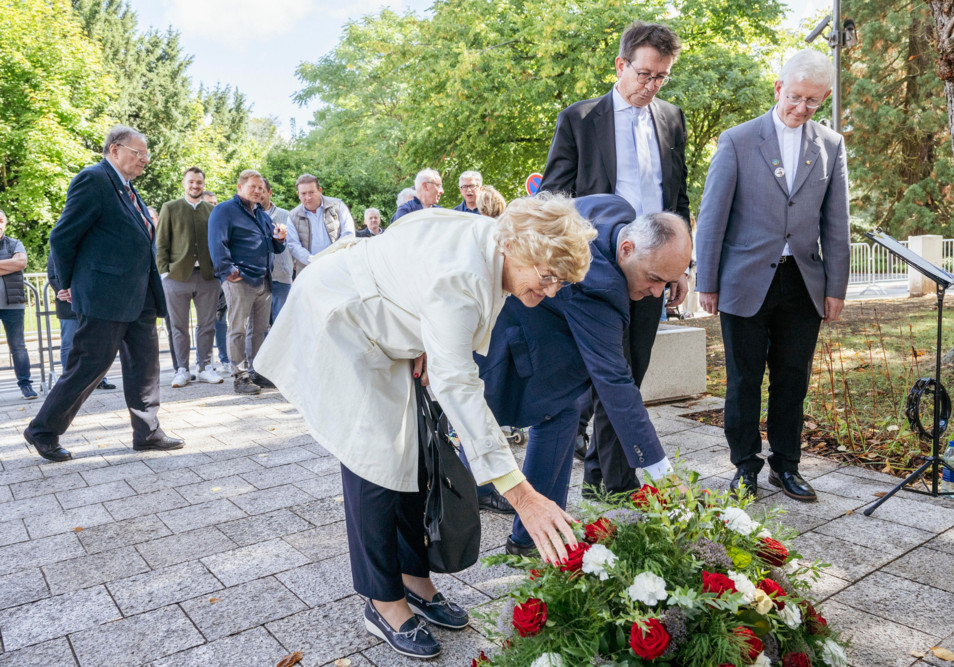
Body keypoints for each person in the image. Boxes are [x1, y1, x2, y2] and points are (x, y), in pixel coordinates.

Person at [253, 194, 594, 660]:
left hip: (385, 326)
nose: (552, 291)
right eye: (548, 276)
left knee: (411, 450)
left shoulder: (489, 236)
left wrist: (421, 325)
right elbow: (460, 388)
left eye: (562, 281)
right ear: (519, 246)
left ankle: (414, 579)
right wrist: (522, 495)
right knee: (374, 457)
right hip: (342, 319)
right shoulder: (461, 278)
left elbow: (408, 241)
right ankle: (382, 600)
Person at [479, 195, 691, 556]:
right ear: (626, 249)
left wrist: (674, 275)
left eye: (666, 283)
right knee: (538, 411)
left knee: (562, 410)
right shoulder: (602, 286)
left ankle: (534, 536)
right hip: (509, 330)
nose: (657, 294)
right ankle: (501, 506)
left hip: (542, 321)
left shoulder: (615, 210)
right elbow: (615, 382)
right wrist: (663, 476)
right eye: (655, 279)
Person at [539, 20, 690, 494]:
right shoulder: (580, 119)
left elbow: (678, 196)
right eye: (645, 74)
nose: (652, 86)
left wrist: (679, 267)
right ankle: (587, 473)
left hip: (651, 269)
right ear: (621, 65)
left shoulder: (671, 119)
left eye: (661, 77)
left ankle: (607, 483)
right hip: (594, 268)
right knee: (596, 377)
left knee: (629, 376)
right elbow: (553, 198)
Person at [695, 49, 850, 503]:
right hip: (744, 281)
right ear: (779, 89)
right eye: (796, 97)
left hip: (803, 284)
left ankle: (787, 466)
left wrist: (836, 287)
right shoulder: (738, 140)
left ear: (825, 99)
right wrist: (707, 281)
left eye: (814, 102)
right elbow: (713, 216)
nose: (802, 109)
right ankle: (744, 465)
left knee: (792, 380)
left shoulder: (832, 145)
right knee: (743, 380)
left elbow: (836, 223)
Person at [25, 125, 183, 462]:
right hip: (104, 294)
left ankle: (147, 432)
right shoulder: (94, 179)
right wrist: (64, 283)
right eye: (138, 153)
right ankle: (43, 430)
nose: (145, 160)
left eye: (146, 155)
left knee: (145, 366)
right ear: (114, 149)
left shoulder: (128, 189)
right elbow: (62, 237)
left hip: (139, 295)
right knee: (89, 364)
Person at [207, 170, 287, 395]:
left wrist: (280, 238)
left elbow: (275, 246)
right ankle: (240, 377)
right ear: (239, 187)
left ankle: (256, 372)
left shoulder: (262, 214)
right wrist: (229, 272)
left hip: (264, 279)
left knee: (259, 329)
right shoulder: (224, 210)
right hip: (239, 280)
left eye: (261, 188)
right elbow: (217, 243)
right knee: (237, 329)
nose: (258, 191)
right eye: (253, 186)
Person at [156, 167, 224, 387]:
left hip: (207, 277)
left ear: (204, 184)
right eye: (191, 182)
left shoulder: (212, 210)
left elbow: (218, 242)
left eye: (199, 183)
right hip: (176, 277)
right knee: (178, 326)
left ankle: (205, 367)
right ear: (184, 183)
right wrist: (164, 272)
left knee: (207, 325)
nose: (195, 186)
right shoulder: (170, 208)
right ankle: (182, 369)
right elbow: (161, 243)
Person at [46, 255, 115, 390]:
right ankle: (70, 381)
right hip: (67, 304)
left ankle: (98, 380)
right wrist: (68, 291)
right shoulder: (57, 248)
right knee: (69, 344)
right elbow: (53, 275)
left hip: (92, 304)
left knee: (96, 343)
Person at [285, 174, 354, 276]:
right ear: (298, 194)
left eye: (311, 192)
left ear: (320, 190)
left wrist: (333, 257)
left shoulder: (338, 206)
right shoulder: (292, 216)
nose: (308, 197)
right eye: (303, 193)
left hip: (338, 266)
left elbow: (349, 234)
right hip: (309, 270)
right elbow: (293, 245)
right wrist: (313, 261)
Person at [0, 209, 37, 399]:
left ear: (5, 223)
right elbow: (13, 264)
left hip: (12, 304)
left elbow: (21, 263)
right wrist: (9, 264)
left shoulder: (15, 243)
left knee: (18, 347)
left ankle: (26, 385)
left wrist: (13, 264)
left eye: (0, 221)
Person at [261, 178, 292, 322]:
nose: (258, 194)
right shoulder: (247, 216)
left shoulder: (286, 215)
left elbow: (294, 243)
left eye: (262, 191)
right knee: (259, 328)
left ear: (270, 193)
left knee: (282, 324)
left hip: (281, 277)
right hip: (257, 279)